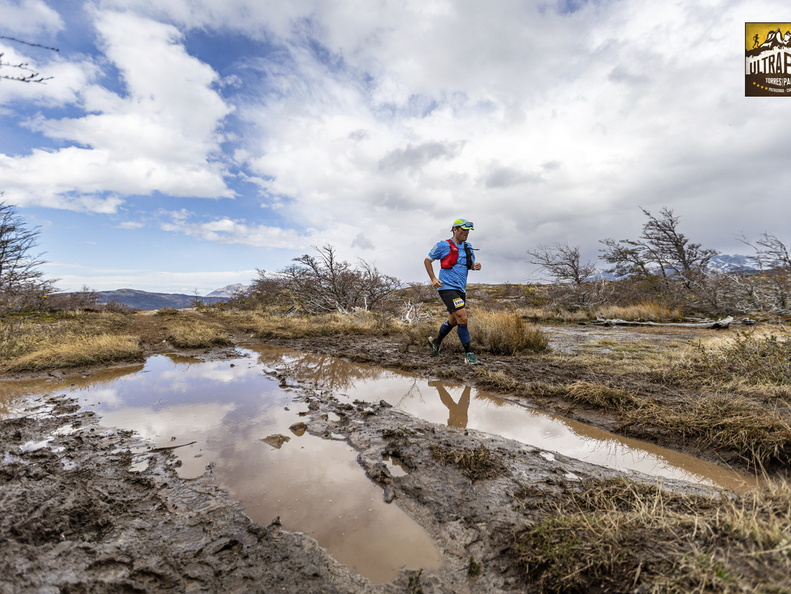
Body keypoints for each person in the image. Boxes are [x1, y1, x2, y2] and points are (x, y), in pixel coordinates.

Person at [424, 218, 482, 365]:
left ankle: (435, 342)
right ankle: (469, 354)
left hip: (460, 289)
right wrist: (433, 279)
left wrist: (475, 266)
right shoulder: (443, 245)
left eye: (468, 231)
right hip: (446, 287)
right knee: (463, 318)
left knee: (453, 321)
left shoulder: (468, 247)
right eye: (463, 230)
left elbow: (469, 265)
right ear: (455, 229)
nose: (466, 233)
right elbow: (427, 260)